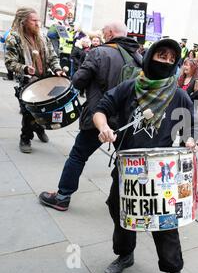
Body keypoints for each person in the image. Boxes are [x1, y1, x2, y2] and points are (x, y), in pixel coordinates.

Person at [92, 38, 198, 273]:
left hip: (160, 172)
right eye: (162, 55)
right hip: (127, 167)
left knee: (164, 222)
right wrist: (104, 127)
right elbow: (101, 109)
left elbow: (190, 128)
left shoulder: (179, 96)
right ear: (151, 57)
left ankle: (174, 270)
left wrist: (190, 141)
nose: (167, 61)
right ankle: (125, 254)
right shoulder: (130, 87)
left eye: (172, 59)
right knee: (119, 209)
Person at [38, 21, 141, 211]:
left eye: (103, 31)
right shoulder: (138, 57)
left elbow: (78, 81)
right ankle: (127, 203)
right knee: (126, 162)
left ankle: (62, 197)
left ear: (110, 33)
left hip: (99, 116)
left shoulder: (99, 52)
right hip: (125, 120)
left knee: (78, 156)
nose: (101, 34)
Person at [5, 7, 64, 153]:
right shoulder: (14, 38)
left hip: (44, 79)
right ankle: (25, 138)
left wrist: (57, 69)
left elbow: (52, 57)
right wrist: (24, 68)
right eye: (34, 20)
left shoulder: (42, 36)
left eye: (38, 20)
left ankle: (38, 128)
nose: (38, 23)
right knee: (28, 112)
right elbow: (9, 62)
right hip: (27, 82)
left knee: (44, 110)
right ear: (23, 22)